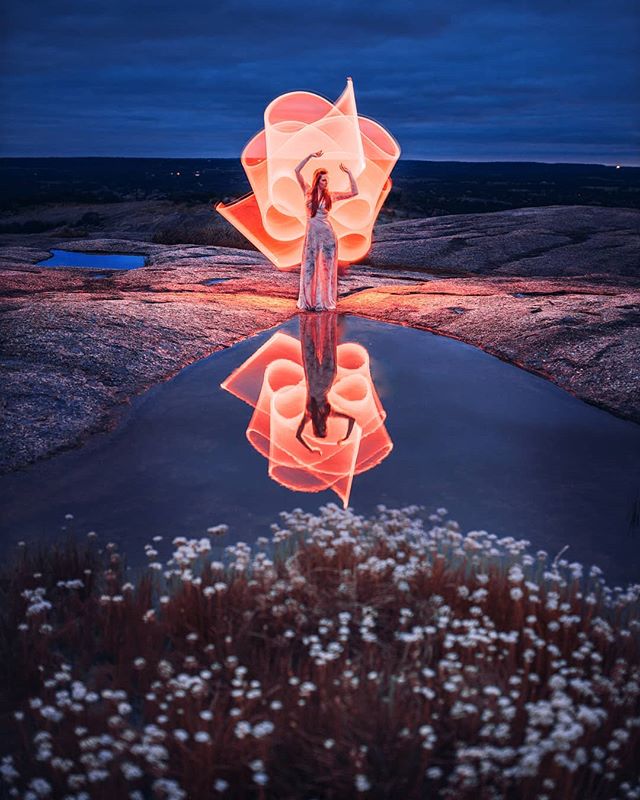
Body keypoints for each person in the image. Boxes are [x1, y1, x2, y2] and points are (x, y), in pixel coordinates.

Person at [294, 150, 358, 311]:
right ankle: (309, 300)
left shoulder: (331, 195)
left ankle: (323, 300)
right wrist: (309, 156)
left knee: (326, 268)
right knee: (309, 267)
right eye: (323, 180)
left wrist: (349, 173)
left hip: (327, 236)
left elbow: (354, 192)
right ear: (317, 180)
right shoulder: (308, 191)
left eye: (327, 180)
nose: (326, 183)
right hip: (312, 236)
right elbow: (296, 171)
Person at [295, 311, 355, 452]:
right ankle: (332, 317)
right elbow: (352, 420)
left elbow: (298, 435)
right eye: (325, 429)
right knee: (328, 343)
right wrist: (346, 437)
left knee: (309, 345)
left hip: (313, 376)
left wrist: (311, 449)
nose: (324, 427)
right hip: (327, 379)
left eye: (321, 429)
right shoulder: (329, 413)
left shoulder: (309, 415)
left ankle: (308, 317)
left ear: (316, 428)